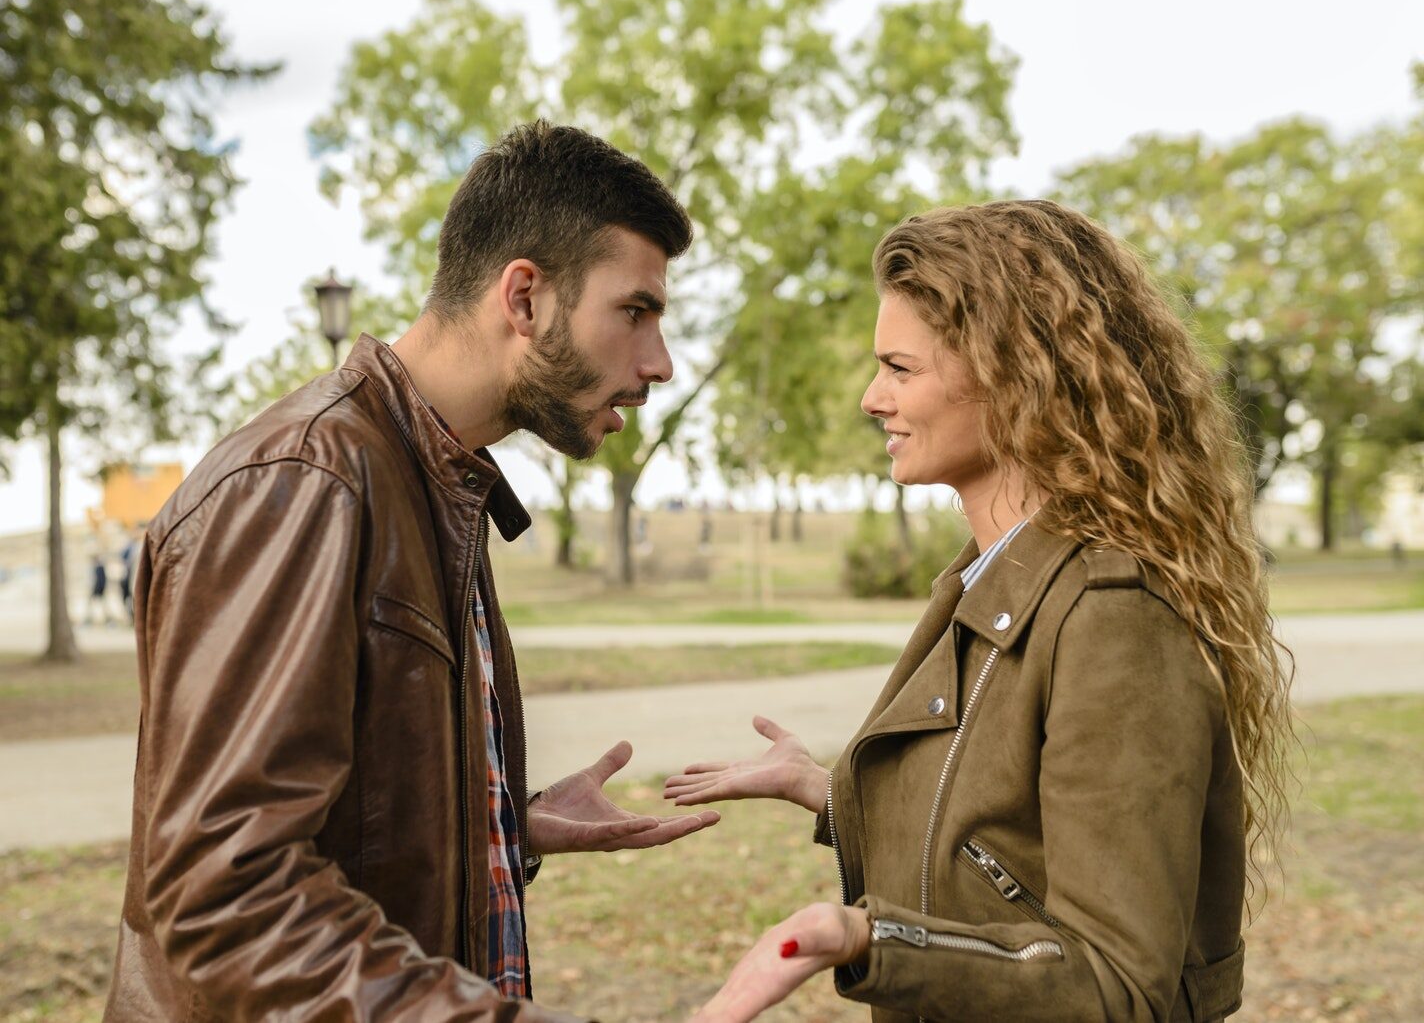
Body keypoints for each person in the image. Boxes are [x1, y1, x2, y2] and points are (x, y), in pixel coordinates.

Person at [104, 121, 719, 1022]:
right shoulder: (306, 481)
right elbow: (224, 895)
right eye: (635, 311)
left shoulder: (437, 482)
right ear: (525, 298)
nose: (659, 363)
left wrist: (500, 822)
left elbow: (341, 823)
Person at [670, 201, 1295, 1022]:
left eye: (900, 368)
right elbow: (997, 848)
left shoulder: (1114, 616)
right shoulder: (991, 579)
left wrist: (868, 940)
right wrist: (828, 793)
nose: (871, 398)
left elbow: (1118, 985)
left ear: (1014, 376)